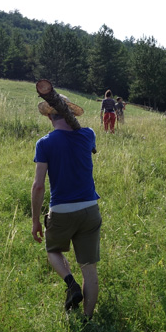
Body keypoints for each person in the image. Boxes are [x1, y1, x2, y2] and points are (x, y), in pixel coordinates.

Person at [32, 95, 101, 319]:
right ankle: (88, 319)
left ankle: (71, 283)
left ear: (50, 117)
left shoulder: (44, 143)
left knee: (53, 250)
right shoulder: (88, 134)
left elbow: (39, 186)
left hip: (61, 210)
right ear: (70, 114)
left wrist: (35, 220)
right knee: (89, 267)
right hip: (90, 208)